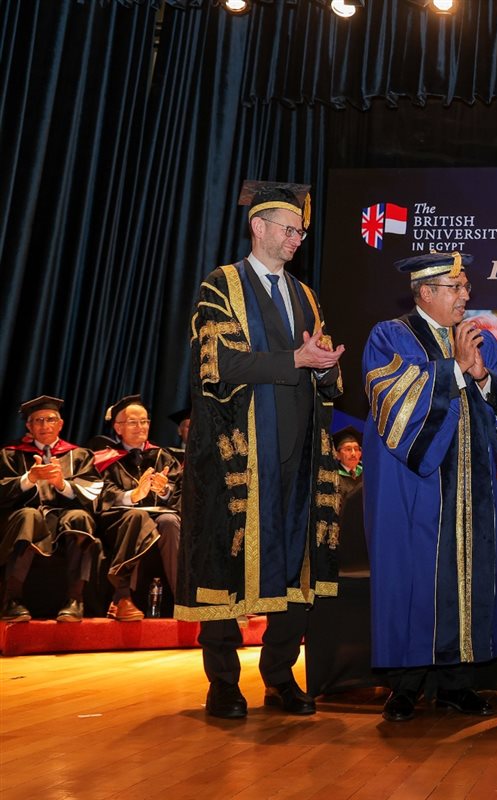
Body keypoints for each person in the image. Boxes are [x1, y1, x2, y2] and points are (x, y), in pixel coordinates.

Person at [176, 181, 345, 720]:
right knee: (224, 562)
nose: (297, 239)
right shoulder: (221, 286)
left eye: (301, 233)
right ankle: (223, 682)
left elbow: (321, 368)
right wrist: (295, 360)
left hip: (298, 457)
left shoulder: (306, 295)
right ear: (259, 226)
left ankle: (279, 676)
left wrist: (327, 367)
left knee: (295, 564)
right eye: (289, 229)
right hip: (237, 455)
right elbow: (219, 365)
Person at [362, 251, 497, 723]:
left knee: (469, 576)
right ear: (426, 292)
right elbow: (393, 404)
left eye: (466, 287)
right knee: (416, 576)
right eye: (456, 288)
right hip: (416, 486)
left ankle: (457, 684)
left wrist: (483, 377)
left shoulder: (480, 339)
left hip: (472, 486)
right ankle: (406, 686)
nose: (466, 296)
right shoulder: (390, 336)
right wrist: (454, 369)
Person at [0, 396, 103, 622]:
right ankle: (12, 600)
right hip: (25, 519)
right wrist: (29, 479)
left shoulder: (80, 455)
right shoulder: (11, 454)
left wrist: (61, 484)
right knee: (29, 515)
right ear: (29, 426)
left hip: (63, 519)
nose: (44, 425)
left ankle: (74, 600)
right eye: (37, 420)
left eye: (50, 419)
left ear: (61, 424)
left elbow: (94, 495)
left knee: (80, 517)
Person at [92, 394, 183, 621]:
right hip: (119, 520)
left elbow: (180, 491)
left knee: (170, 522)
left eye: (144, 421)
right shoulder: (103, 458)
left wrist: (164, 490)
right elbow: (100, 494)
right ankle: (122, 597)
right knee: (136, 517)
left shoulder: (163, 456)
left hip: (158, 517)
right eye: (133, 422)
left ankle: (182, 597)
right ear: (118, 427)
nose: (140, 427)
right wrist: (134, 495)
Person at [331, 426, 363, 502]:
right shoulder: (333, 477)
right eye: (348, 449)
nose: (353, 453)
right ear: (337, 455)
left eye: (356, 449)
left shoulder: (367, 473)